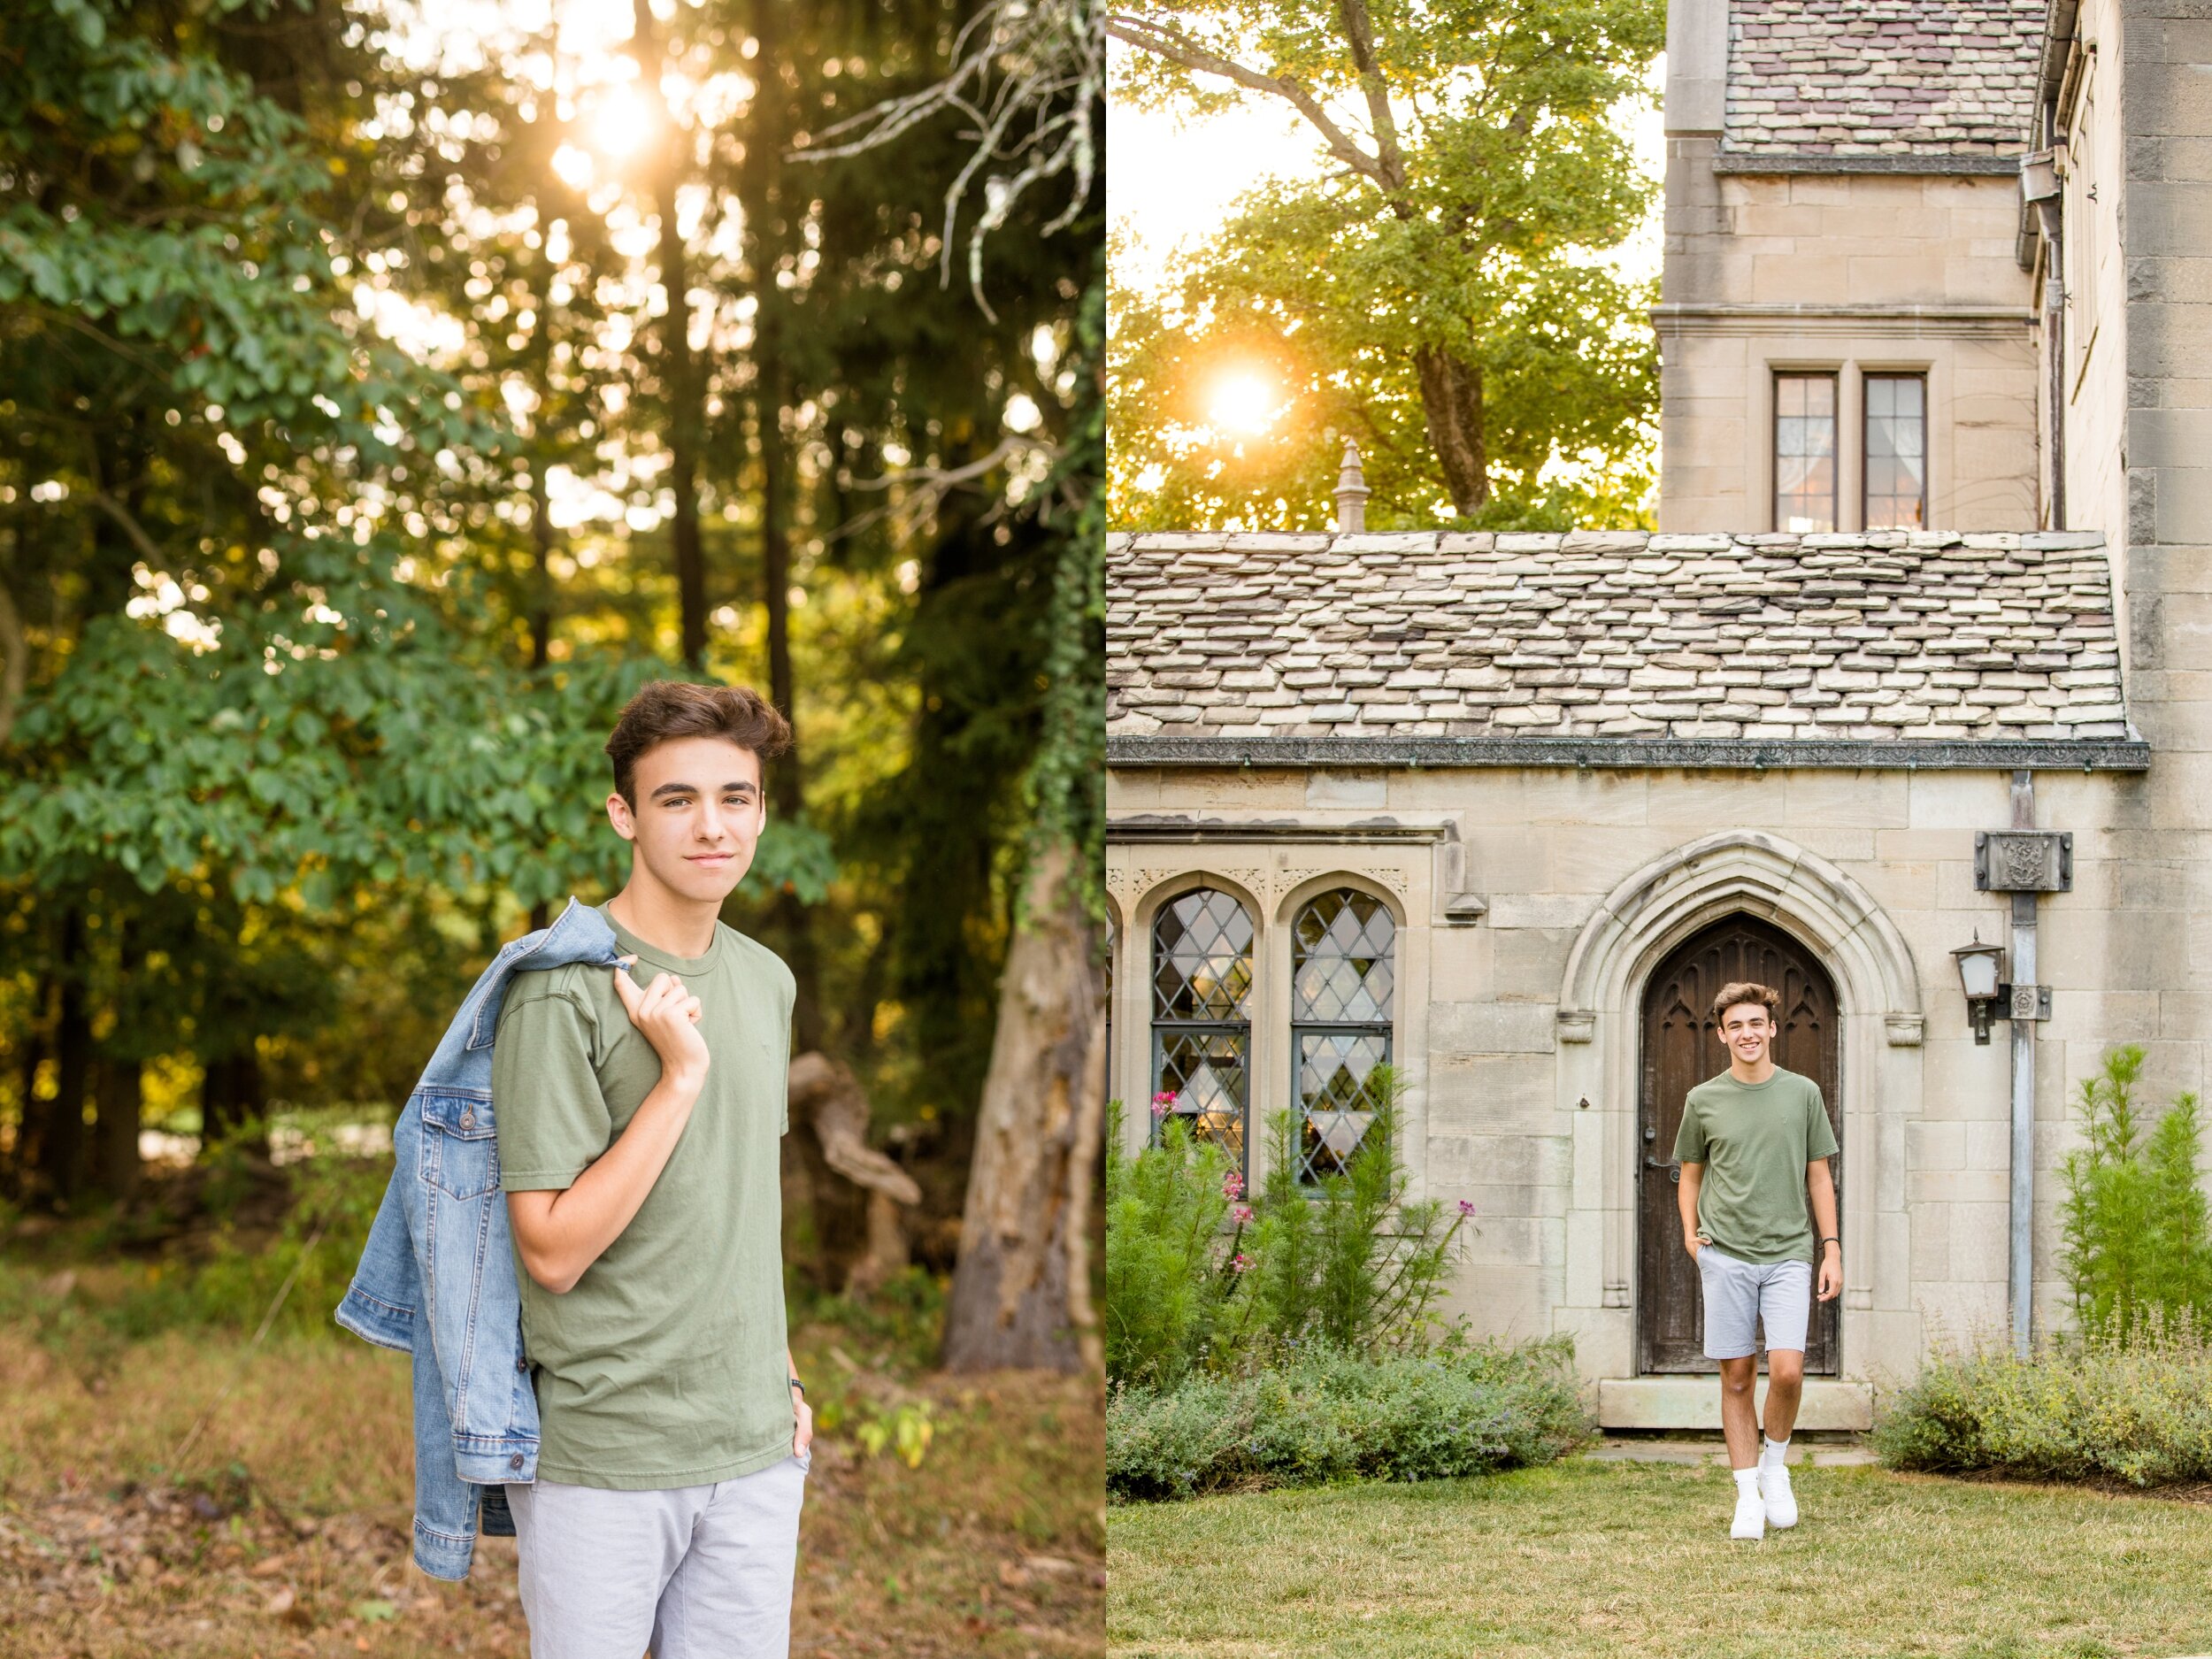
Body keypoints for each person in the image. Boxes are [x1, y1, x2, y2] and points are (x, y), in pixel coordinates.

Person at [493, 680, 812, 1656]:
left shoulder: (765, 979)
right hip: (606, 1453)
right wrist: (679, 1077)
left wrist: (785, 1383)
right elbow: (548, 1253)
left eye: (736, 797)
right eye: (677, 800)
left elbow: (737, 1208)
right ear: (624, 814)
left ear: (761, 809)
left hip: (755, 1449)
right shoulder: (563, 993)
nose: (711, 825)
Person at [1673, 980, 1840, 1541]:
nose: (1747, 1033)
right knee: (1739, 1377)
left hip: (1790, 1251)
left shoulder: (1803, 1093)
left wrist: (1831, 1248)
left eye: (1756, 1024)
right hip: (1726, 1255)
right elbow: (1690, 1175)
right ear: (1722, 1035)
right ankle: (1747, 1494)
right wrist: (1693, 1239)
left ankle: (1775, 1466)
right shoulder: (1703, 1100)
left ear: (1772, 1029)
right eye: (1735, 1026)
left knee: (1788, 1370)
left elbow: (1819, 1175)